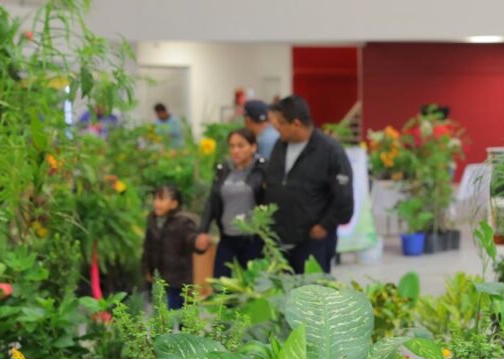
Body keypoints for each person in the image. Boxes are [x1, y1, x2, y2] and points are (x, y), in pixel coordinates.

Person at [264, 94, 354, 274]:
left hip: (312, 241)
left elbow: (343, 197)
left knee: (312, 296)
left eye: (281, 124)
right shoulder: (280, 146)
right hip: (280, 240)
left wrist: (325, 225)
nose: (276, 128)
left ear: (296, 124)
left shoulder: (330, 151)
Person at [200, 128, 267, 278]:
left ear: (253, 147)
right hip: (227, 237)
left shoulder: (262, 170)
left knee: (254, 284)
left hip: (252, 239)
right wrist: (203, 230)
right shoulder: (223, 169)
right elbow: (212, 201)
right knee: (221, 284)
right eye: (232, 146)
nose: (235, 150)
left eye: (241, 146)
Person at [142, 185, 209, 310]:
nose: (156, 203)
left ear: (173, 204)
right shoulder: (152, 219)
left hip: (178, 279)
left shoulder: (183, 221)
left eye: (161, 200)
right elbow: (148, 246)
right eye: (155, 199)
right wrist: (147, 269)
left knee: (178, 312)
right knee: (161, 313)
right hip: (159, 276)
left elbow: (192, 239)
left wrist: (199, 244)